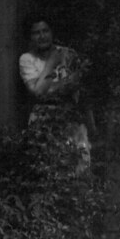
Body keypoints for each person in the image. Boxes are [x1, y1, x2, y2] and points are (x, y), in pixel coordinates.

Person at [18, 16, 91, 168]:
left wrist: (48, 87)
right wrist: (51, 64)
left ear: (52, 32)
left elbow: (77, 85)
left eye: (45, 31)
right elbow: (37, 92)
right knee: (48, 167)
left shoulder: (68, 54)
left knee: (78, 167)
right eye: (36, 33)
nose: (42, 36)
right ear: (31, 37)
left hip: (70, 116)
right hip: (43, 118)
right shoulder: (27, 59)